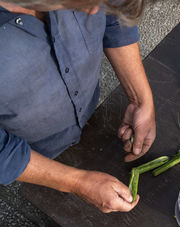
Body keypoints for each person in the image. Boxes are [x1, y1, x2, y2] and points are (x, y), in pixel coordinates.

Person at [0, 0, 156, 213]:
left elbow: (113, 15)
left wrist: (140, 99)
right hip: (34, 150)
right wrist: (77, 182)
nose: (93, 11)